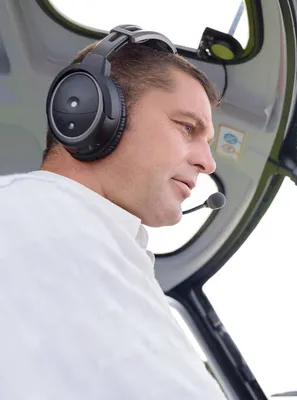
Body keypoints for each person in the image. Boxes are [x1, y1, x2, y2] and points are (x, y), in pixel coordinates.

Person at [0, 25, 228, 399]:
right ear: (89, 110)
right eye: (188, 127)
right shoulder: (40, 225)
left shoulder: (106, 245)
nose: (208, 162)